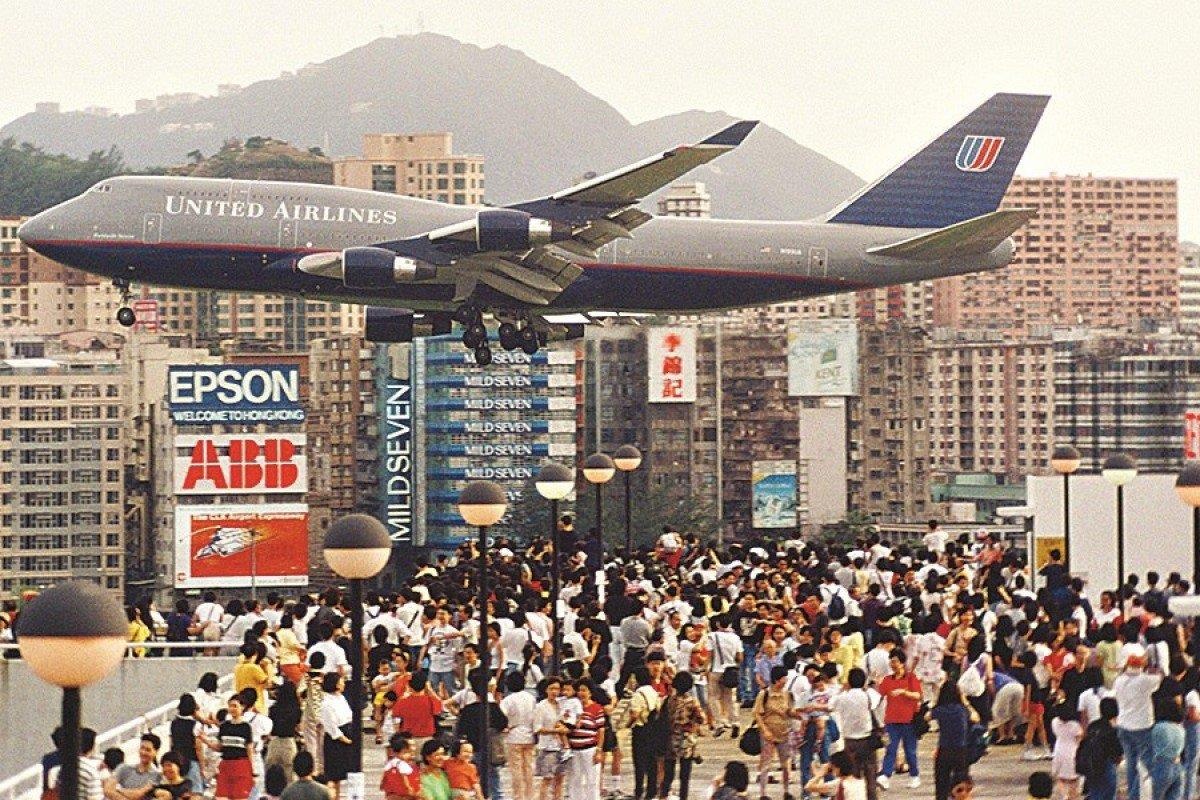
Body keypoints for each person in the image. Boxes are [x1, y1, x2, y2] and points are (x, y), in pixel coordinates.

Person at [1114, 652, 1162, 800]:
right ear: (1140, 665)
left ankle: (1132, 795)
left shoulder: (1119, 680)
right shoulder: (1145, 680)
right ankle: (1137, 794)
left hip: (1123, 725)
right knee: (1146, 765)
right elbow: (1160, 677)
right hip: (1142, 726)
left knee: (1131, 763)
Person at [831, 668, 882, 800]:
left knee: (853, 777)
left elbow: (831, 705)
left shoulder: (843, 697)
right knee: (871, 775)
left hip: (850, 741)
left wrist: (842, 689)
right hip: (867, 740)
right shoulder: (868, 695)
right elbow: (878, 704)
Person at [877, 650, 922, 790]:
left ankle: (914, 775)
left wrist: (903, 692)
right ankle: (885, 775)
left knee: (910, 750)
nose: (892, 663)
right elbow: (878, 695)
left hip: (909, 720)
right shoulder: (887, 680)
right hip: (891, 720)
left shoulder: (910, 678)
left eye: (895, 661)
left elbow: (918, 695)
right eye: (891, 660)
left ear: (902, 663)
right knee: (890, 748)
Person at [754, 664, 797, 799]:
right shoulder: (764, 694)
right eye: (783, 678)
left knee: (786, 764)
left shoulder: (787, 695)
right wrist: (765, 730)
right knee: (766, 764)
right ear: (777, 680)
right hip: (768, 734)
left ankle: (786, 790)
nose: (785, 681)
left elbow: (790, 711)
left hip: (784, 733)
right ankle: (763, 794)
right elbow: (757, 714)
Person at [662, 672, 705, 800]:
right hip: (686, 741)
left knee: (668, 774)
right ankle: (683, 797)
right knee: (684, 776)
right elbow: (701, 718)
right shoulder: (692, 701)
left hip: (670, 740)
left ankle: (663, 795)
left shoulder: (668, 700)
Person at [929, 682, 976, 800]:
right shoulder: (962, 710)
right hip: (961, 750)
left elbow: (927, 716)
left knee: (941, 783)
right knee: (961, 784)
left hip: (944, 749)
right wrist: (965, 702)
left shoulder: (940, 710)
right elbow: (976, 718)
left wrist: (936, 702)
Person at [499, 670, 536, 800]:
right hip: (529, 735)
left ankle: (518, 796)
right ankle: (529, 795)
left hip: (514, 736)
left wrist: (507, 727)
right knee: (529, 768)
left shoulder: (508, 700)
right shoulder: (531, 698)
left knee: (516, 770)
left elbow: (501, 717)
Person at [317, 673, 353, 799]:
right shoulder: (326, 703)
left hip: (347, 730)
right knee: (333, 776)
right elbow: (331, 726)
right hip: (336, 740)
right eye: (341, 681)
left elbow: (349, 715)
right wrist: (345, 739)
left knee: (341, 776)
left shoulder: (341, 698)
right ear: (336, 684)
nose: (343, 683)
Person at [534, 677, 569, 800]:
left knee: (560, 778)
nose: (555, 692)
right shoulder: (541, 706)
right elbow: (538, 728)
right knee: (547, 779)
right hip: (548, 747)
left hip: (561, 746)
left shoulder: (562, 704)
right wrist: (555, 731)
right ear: (546, 690)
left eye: (557, 689)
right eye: (552, 688)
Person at [215, 696, 256, 800]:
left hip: (241, 766)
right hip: (225, 765)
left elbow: (249, 750)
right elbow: (220, 747)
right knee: (221, 797)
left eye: (235, 706)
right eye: (230, 706)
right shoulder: (224, 726)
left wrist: (252, 771)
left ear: (242, 707)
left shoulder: (246, 727)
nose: (232, 709)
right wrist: (204, 739)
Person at [1081, 698, 1122, 800]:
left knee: (1095, 793)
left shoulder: (1092, 725)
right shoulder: (1114, 729)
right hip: (1107, 765)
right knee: (1109, 795)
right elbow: (1118, 753)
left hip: (1091, 765)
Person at [105, 733, 163, 800]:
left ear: (156, 752)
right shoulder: (124, 768)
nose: (143, 752)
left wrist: (118, 790)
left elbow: (138, 795)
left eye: (148, 750)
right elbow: (107, 789)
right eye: (142, 748)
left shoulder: (157, 776)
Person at [1149, 698, 1185, 800]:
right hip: (1178, 765)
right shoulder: (1180, 728)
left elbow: (1151, 745)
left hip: (1162, 765)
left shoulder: (1159, 727)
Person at [265, 681, 301, 784]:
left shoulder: (273, 709)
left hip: (274, 742)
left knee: (271, 771)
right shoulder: (296, 709)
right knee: (289, 773)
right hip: (289, 742)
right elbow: (298, 726)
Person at [1049, 701, 1083, 800]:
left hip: (1059, 750)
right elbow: (1079, 738)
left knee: (1061, 777)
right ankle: (1072, 796)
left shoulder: (1054, 722)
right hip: (1072, 751)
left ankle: (1064, 795)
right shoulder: (1074, 725)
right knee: (1073, 779)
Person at [380, 735, 421, 800]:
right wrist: (408, 788)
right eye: (406, 752)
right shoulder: (401, 764)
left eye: (414, 745)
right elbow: (403, 776)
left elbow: (385, 774)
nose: (413, 749)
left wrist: (382, 785)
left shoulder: (391, 763)